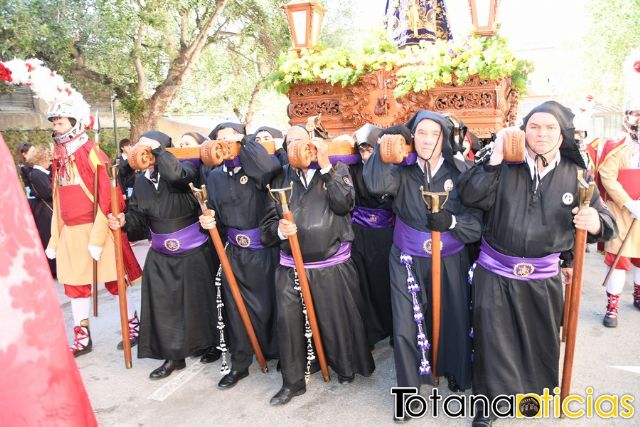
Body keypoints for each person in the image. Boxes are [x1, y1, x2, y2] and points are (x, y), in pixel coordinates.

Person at [457, 101, 617, 426]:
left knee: (537, 341)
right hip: (496, 270)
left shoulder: (578, 176)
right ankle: (489, 405)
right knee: (493, 339)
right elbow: (470, 197)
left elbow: (608, 222)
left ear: (562, 135)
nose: (541, 134)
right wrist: (496, 158)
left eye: (550, 128)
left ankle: (531, 397)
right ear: (523, 130)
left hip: (543, 278)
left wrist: (595, 222)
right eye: (534, 126)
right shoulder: (502, 163)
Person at [364, 112, 481, 421]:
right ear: (413, 137)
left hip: (450, 256)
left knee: (455, 316)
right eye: (421, 133)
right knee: (405, 323)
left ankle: (454, 370)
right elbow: (375, 186)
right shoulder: (401, 172)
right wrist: (384, 147)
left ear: (444, 138)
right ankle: (408, 390)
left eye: (435, 133)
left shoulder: (461, 172)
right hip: (406, 258)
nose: (428, 139)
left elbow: (477, 224)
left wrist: (452, 221)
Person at [260, 126, 375, 405]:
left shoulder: (336, 170)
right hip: (291, 266)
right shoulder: (277, 180)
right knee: (291, 325)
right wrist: (279, 230)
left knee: (336, 320)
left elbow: (344, 203)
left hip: (331, 263)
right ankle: (293, 382)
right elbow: (265, 228)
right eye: (290, 144)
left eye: (302, 141)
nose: (297, 148)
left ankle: (345, 367)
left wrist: (325, 164)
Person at [108, 130, 220, 379]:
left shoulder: (187, 169)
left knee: (199, 302)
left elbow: (177, 177)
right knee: (164, 307)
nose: (143, 153)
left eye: (148, 148)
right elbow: (139, 218)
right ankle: (173, 357)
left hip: (193, 250)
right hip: (160, 253)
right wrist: (125, 220)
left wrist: (160, 151)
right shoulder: (140, 181)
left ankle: (209, 343)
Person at [44, 101, 142, 357]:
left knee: (114, 282)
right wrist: (55, 239)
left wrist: (97, 238)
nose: (56, 126)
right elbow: (58, 199)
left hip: (97, 230)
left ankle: (132, 326)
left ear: (75, 123)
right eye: (54, 122)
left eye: (61, 121)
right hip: (71, 233)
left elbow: (110, 198)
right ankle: (82, 336)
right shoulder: (59, 155)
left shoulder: (92, 152)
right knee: (76, 287)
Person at [198, 131, 282, 389]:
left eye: (231, 137)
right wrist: (207, 222)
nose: (224, 143)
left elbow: (270, 169)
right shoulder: (214, 176)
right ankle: (240, 362)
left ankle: (278, 351)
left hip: (265, 249)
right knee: (235, 308)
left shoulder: (258, 170)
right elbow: (216, 215)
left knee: (271, 304)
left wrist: (245, 144)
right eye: (220, 138)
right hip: (234, 251)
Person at [597, 49, 640, 327]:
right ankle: (612, 307)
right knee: (619, 259)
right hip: (622, 212)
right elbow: (606, 175)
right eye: (635, 114)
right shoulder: (617, 143)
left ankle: (638, 294)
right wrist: (629, 202)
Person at [348, 124, 394, 347]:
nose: (366, 155)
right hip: (360, 234)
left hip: (387, 235)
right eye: (362, 150)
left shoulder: (393, 168)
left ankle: (394, 328)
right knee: (364, 283)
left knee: (387, 281)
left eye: (370, 150)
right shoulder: (352, 170)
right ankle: (372, 331)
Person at [26, 144, 56, 278]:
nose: (49, 162)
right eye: (48, 159)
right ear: (42, 159)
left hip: (45, 209)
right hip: (44, 211)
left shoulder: (38, 173)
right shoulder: (37, 174)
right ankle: (53, 268)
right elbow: (48, 193)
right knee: (48, 237)